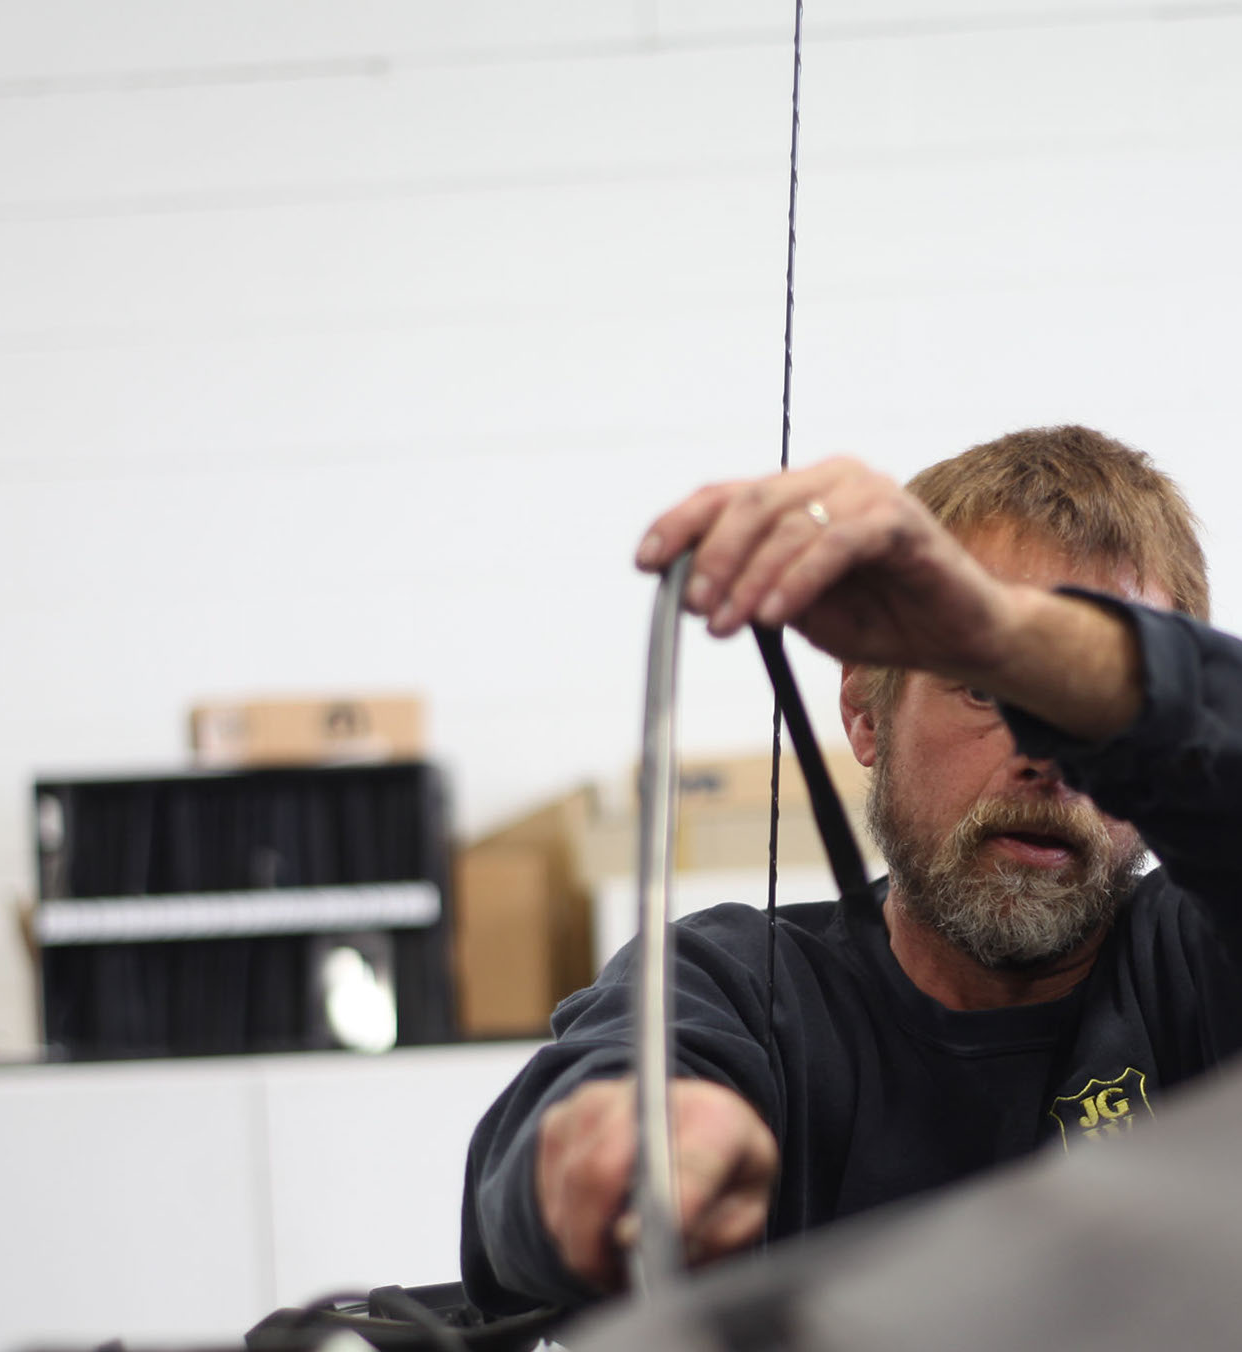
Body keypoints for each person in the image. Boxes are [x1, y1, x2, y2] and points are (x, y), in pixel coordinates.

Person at [459, 425, 1242, 1314]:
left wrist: (1008, 636)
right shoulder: (738, 990)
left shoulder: (1199, 973)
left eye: (1082, 704)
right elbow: (535, 1181)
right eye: (984, 687)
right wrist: (601, 1161)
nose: (1046, 757)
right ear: (867, 713)